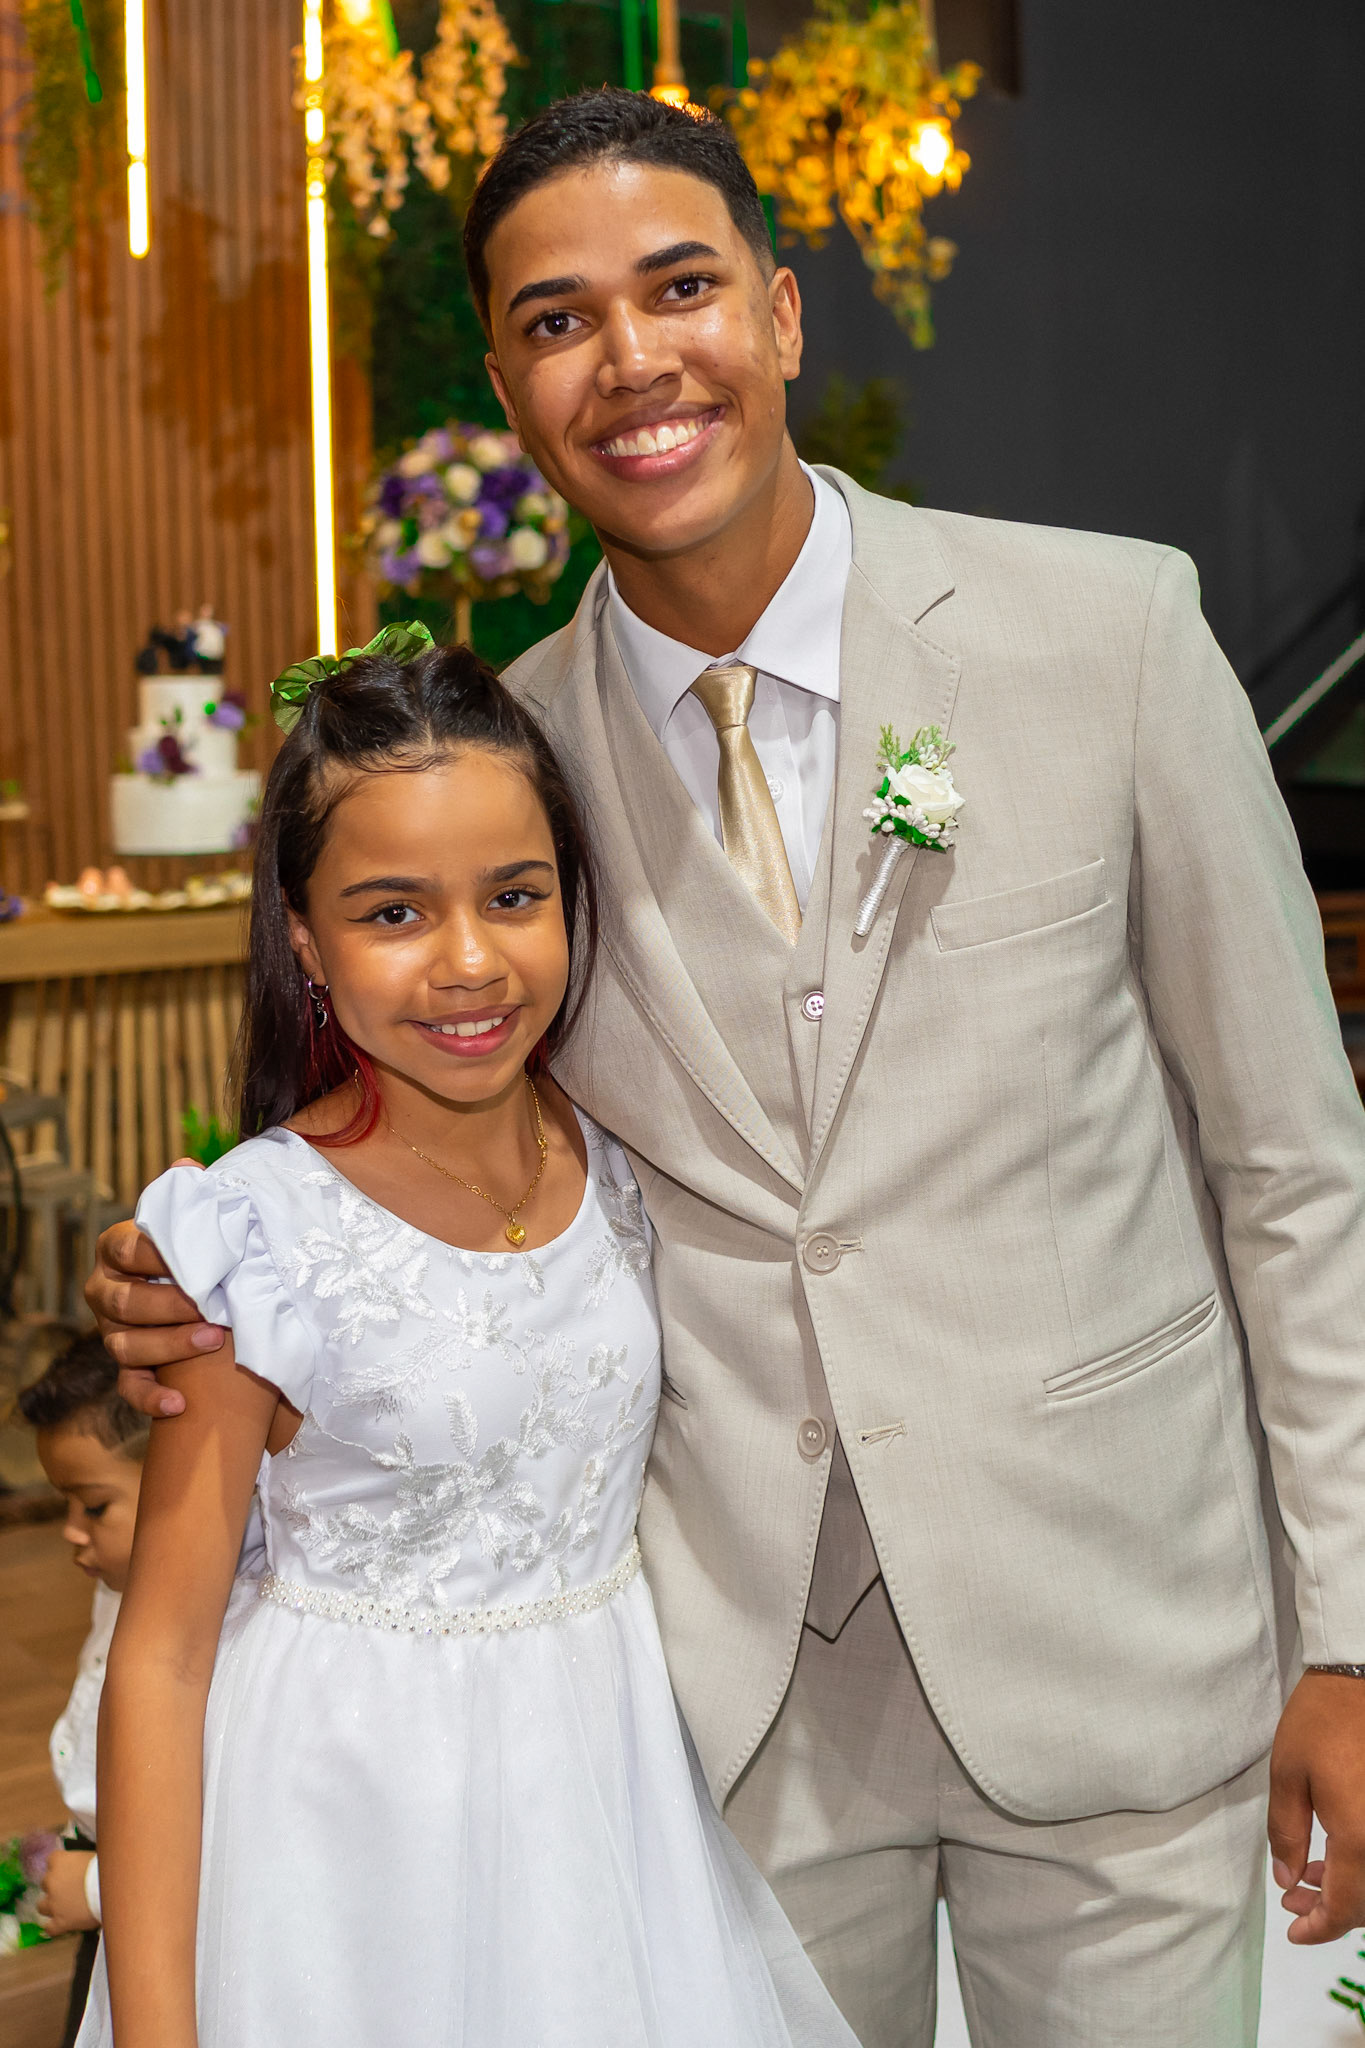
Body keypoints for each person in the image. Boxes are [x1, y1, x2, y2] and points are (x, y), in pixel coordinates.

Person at [89, 90, 1365, 2048]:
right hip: (721, 1716)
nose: (630, 357)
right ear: (511, 389)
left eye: (677, 287)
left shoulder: (1108, 632)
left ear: (778, 309)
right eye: (556, 320)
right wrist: (209, 1270)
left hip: (1116, 1645)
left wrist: (1348, 1634)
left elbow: (1292, 1164)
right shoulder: (505, 768)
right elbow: (436, 1154)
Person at [74, 631, 858, 2048]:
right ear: (303, 940)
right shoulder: (254, 1235)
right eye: (394, 912)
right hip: (349, 1829)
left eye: (514, 895)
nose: (471, 962)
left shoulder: (619, 1147)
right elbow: (163, 1661)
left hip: (604, 1796)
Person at [18, 1330, 148, 2048]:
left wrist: (100, 1888)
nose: (71, 1532)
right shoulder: (115, 1581)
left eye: (93, 1507)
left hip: (137, 1892)